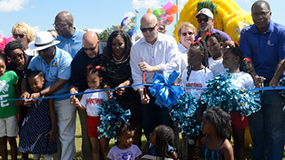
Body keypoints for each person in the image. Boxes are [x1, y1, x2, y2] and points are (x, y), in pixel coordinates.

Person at [239, 1, 285, 159]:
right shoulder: (246, 33)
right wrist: (254, 77)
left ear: (270, 14)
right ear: (251, 16)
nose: (259, 17)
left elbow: (283, 59)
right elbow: (246, 58)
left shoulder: (281, 31)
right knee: (257, 132)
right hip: (255, 88)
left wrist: (274, 79)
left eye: (263, 13)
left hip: (274, 87)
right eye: (256, 14)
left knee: (274, 133)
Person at [21, 31, 76, 160]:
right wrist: (25, 91)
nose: (42, 53)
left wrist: (39, 93)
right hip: (43, 103)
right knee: (51, 133)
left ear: (52, 46)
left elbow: (60, 83)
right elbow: (25, 77)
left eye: (44, 50)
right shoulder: (36, 60)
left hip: (63, 99)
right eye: (39, 50)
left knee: (65, 133)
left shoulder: (65, 57)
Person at [130, 13, 179, 140]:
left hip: (166, 90)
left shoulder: (169, 41)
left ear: (157, 26)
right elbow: (136, 75)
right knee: (148, 125)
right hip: (147, 91)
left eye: (150, 28)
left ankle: (168, 153)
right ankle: (153, 153)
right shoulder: (136, 47)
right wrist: (142, 93)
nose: (147, 33)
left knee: (166, 124)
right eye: (144, 30)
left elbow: (174, 66)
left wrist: (152, 68)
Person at [100, 30, 142, 147]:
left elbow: (135, 76)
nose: (117, 47)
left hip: (132, 98)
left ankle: (135, 154)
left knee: (135, 129)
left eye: (120, 44)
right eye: (114, 44)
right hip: (115, 100)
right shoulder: (105, 58)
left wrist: (125, 84)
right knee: (119, 130)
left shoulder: (132, 56)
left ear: (126, 44)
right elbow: (103, 77)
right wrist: (106, 86)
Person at [70, 30, 106, 160]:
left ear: (98, 43)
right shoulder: (79, 59)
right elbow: (74, 84)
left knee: (106, 137)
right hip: (87, 98)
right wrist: (73, 95)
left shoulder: (107, 49)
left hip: (105, 97)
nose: (89, 52)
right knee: (87, 135)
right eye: (86, 49)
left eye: (92, 48)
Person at [180, 39, 213, 159]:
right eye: (188, 55)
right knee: (190, 140)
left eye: (193, 56)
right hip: (188, 114)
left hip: (201, 113)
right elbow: (183, 92)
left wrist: (199, 112)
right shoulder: (185, 73)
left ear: (201, 55)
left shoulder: (207, 74)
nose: (189, 58)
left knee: (203, 138)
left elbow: (206, 95)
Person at [222, 47, 254, 160]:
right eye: (223, 58)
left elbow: (252, 96)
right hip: (224, 113)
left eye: (226, 57)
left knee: (239, 142)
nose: (223, 60)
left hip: (239, 114)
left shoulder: (246, 77)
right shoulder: (221, 76)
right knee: (225, 141)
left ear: (236, 59)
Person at [4, 40, 34, 160]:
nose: (18, 59)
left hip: (36, 98)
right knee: (22, 127)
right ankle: (24, 154)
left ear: (23, 51)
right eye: (13, 57)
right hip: (20, 102)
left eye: (19, 55)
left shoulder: (33, 61)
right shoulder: (10, 68)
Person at [17, 70, 57, 160]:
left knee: (46, 152)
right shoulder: (29, 96)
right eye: (31, 84)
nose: (33, 86)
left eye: (36, 83)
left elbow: (52, 113)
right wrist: (23, 101)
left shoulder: (48, 95)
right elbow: (16, 103)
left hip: (44, 127)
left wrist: (53, 129)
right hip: (32, 127)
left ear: (43, 80)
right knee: (35, 152)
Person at [71, 66, 109, 160]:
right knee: (94, 147)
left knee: (104, 148)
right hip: (90, 121)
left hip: (101, 122)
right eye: (88, 82)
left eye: (93, 81)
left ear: (100, 79)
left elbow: (110, 106)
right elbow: (83, 107)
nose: (91, 84)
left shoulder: (104, 92)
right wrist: (78, 104)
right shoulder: (87, 92)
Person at [0, 53, 19, 160]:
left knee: (12, 139)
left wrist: (19, 110)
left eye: (2, 67)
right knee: (1, 140)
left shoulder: (11, 75)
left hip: (11, 113)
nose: (1, 70)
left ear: (6, 65)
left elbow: (19, 92)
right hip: (0, 115)